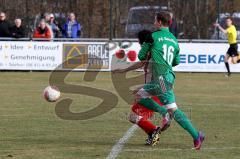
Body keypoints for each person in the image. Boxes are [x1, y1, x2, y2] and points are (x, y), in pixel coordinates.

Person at [134, 11, 204, 149]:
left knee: (173, 110)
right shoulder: (173, 39)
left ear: (160, 22)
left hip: (161, 79)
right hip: (167, 77)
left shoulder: (152, 36)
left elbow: (141, 56)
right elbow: (176, 61)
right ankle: (166, 113)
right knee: (138, 95)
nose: (154, 23)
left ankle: (196, 136)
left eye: (155, 21)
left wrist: (148, 50)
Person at [113, 30, 171, 146]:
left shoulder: (153, 54)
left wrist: (142, 87)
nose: (139, 43)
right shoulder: (151, 52)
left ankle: (154, 130)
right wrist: (124, 70)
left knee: (133, 115)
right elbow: (141, 63)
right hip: (152, 91)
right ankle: (152, 132)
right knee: (134, 114)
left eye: (139, 41)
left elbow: (155, 75)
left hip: (153, 92)